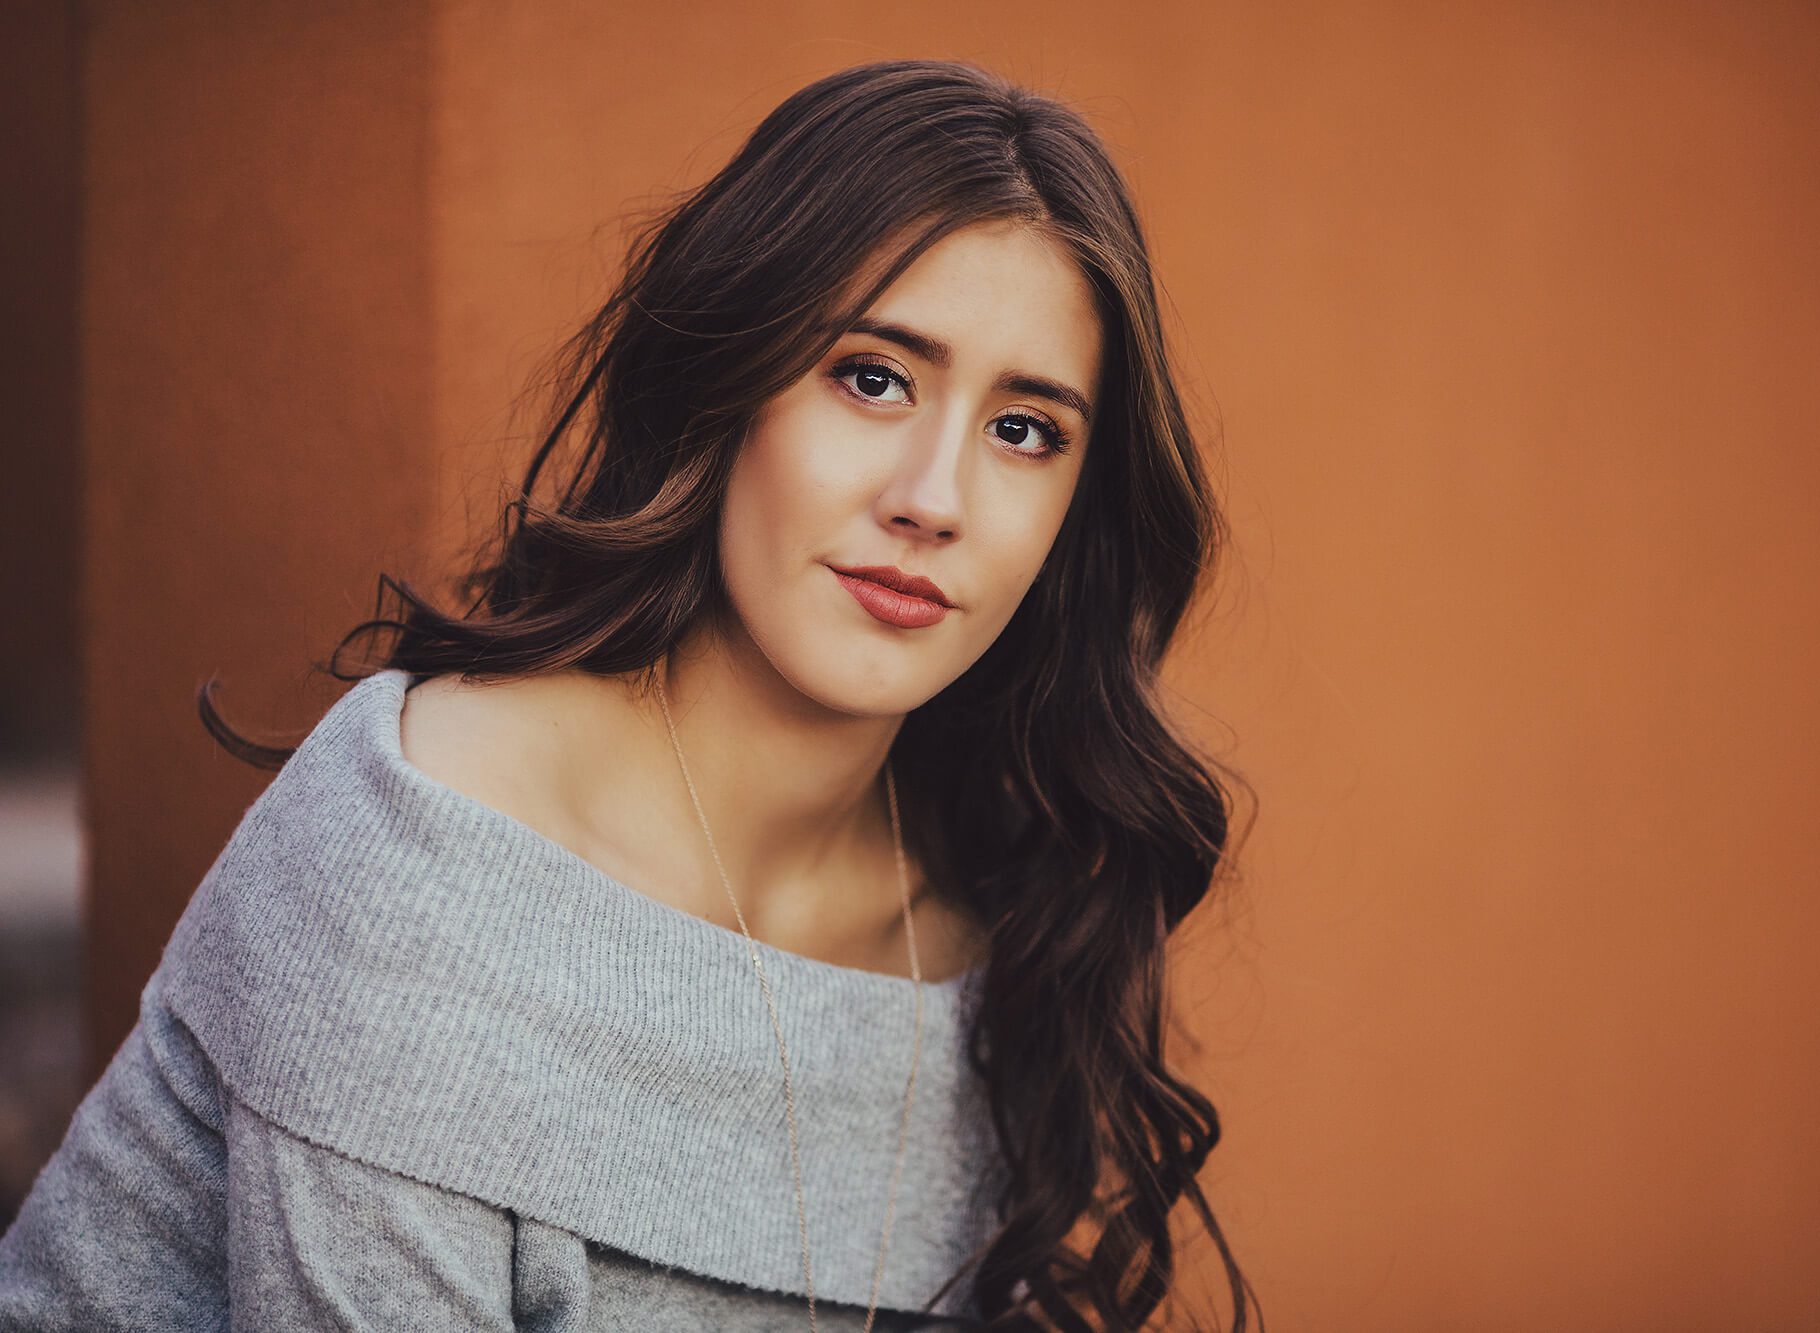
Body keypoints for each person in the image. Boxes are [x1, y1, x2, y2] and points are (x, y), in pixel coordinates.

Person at [0, 58, 1264, 1332]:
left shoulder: (993, 913)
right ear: (728, 380)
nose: (933, 499)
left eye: (1024, 429)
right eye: (872, 376)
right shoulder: (431, 847)